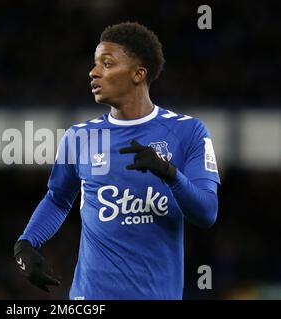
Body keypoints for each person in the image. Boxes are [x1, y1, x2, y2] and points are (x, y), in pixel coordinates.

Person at [13, 21, 220, 300]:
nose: (93, 72)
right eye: (95, 63)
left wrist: (170, 174)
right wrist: (26, 243)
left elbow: (207, 213)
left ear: (138, 74)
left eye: (106, 64)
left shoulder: (188, 132)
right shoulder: (80, 137)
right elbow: (58, 198)